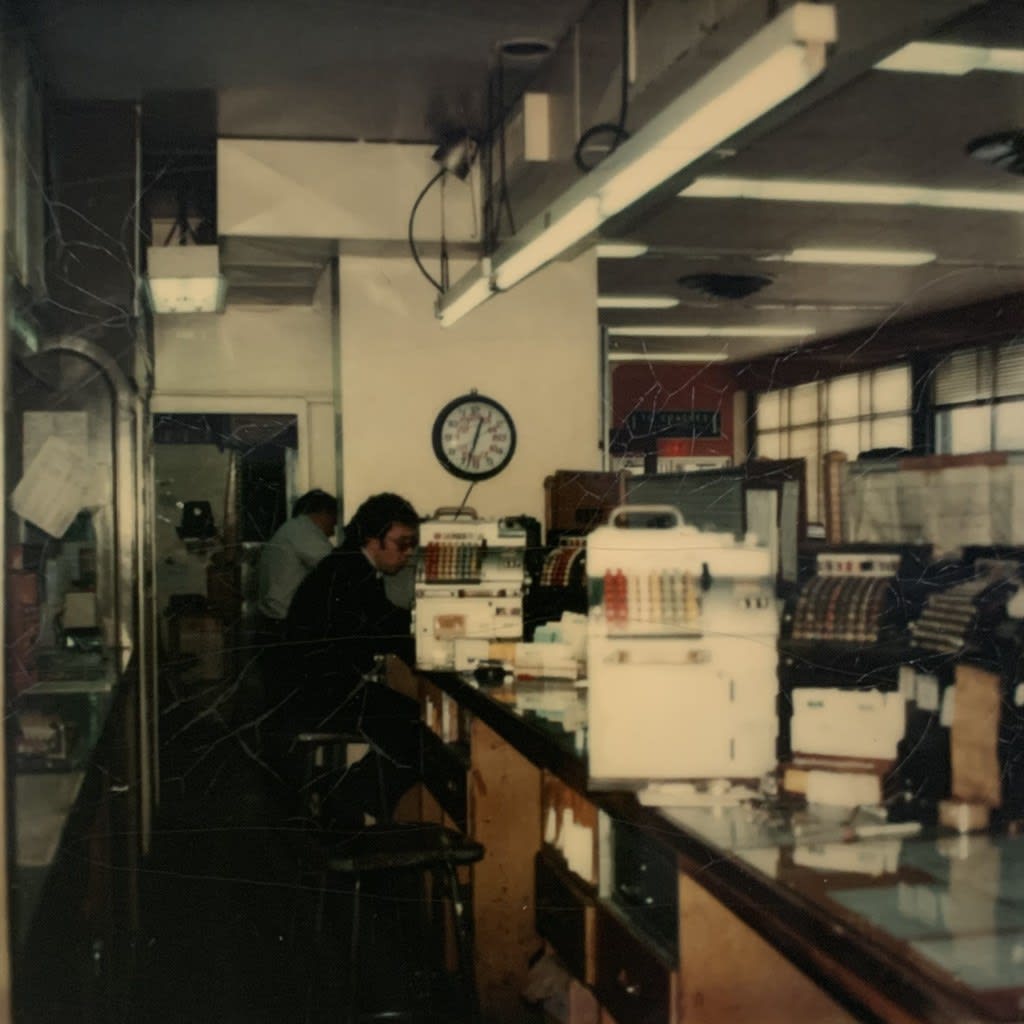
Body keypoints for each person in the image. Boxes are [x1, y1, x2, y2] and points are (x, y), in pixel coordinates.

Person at [278, 492, 421, 823]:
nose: (408, 552)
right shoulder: (352, 572)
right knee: (418, 731)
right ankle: (344, 792)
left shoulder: (349, 565)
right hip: (321, 695)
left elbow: (385, 621)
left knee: (411, 728)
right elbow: (388, 627)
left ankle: (344, 791)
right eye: (402, 544)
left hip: (318, 689)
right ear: (373, 540)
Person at [257, 488, 338, 625]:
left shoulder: (292, 529)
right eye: (333, 522)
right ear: (324, 513)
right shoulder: (304, 531)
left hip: (273, 619)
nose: (332, 532)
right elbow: (337, 567)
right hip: (285, 623)